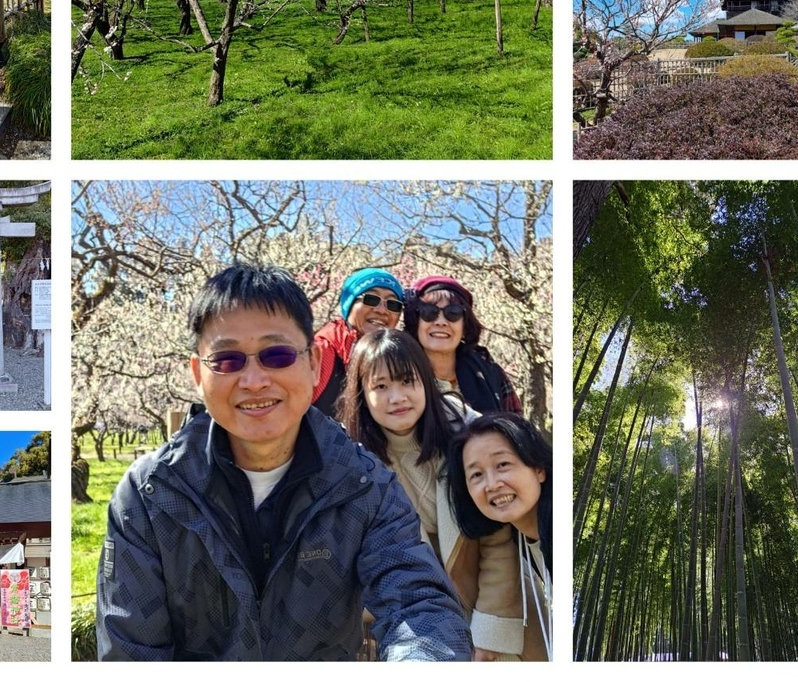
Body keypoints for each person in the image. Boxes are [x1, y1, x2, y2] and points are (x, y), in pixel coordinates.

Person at [97, 262, 471, 661]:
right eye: (227, 360)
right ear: (197, 374)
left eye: (276, 355)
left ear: (313, 363)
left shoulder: (364, 486)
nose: (254, 381)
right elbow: (130, 651)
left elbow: (418, 606)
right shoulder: (151, 496)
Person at [341, 327, 538, 661]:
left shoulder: (467, 441)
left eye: (407, 381)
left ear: (426, 382)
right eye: (381, 386)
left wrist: (489, 633)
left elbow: (496, 539)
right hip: (409, 624)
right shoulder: (350, 466)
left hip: (487, 603)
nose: (397, 397)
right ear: (361, 393)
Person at [447, 412, 553, 661]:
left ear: (538, 468)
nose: (492, 484)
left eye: (502, 465)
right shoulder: (524, 541)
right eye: (476, 475)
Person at [404, 275, 522, 414]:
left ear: (465, 325)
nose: (440, 322)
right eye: (429, 312)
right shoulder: (397, 371)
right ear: (415, 322)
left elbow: (516, 429)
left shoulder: (490, 372)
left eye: (453, 313)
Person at [311, 267, 404, 416]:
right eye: (371, 299)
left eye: (393, 304)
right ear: (349, 304)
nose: (381, 310)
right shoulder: (321, 353)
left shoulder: (396, 358)